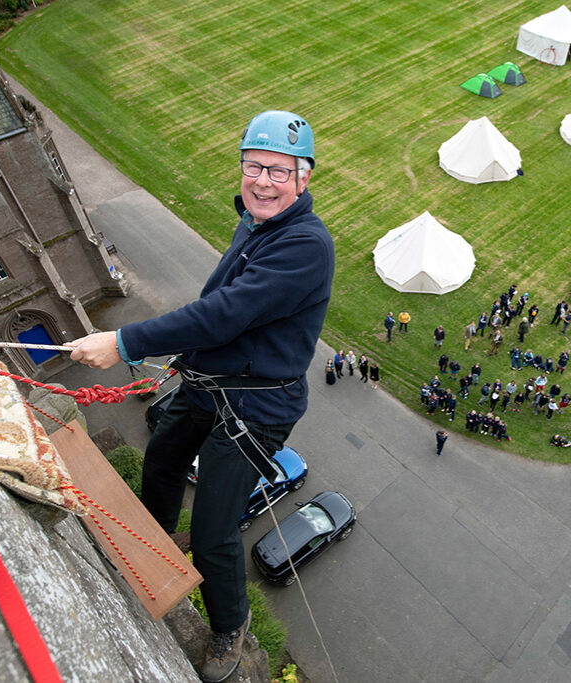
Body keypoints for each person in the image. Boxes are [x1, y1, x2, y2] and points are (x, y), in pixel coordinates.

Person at [67, 110, 333, 682]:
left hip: (259, 405)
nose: (262, 180)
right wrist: (184, 360)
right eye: (253, 166)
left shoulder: (306, 246)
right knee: (162, 456)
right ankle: (157, 542)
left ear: (303, 179)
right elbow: (227, 308)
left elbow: (225, 314)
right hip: (213, 382)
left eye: (278, 171)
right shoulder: (257, 225)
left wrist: (124, 340)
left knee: (214, 532)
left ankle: (230, 627)